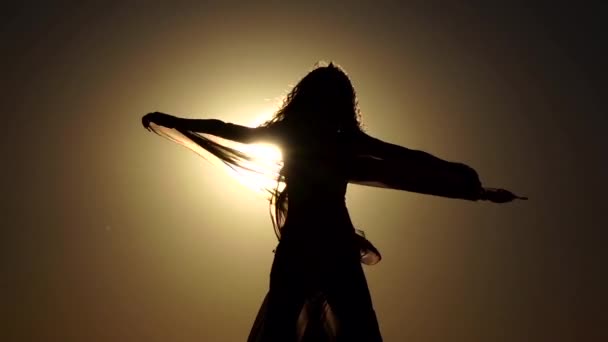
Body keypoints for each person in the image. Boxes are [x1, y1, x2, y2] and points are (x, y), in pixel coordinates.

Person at [142, 62, 526, 342]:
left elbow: (403, 157)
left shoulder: (308, 135)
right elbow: (405, 156)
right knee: (337, 324)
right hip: (323, 243)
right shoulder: (320, 136)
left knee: (302, 323)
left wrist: (458, 173)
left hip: (314, 244)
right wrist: (176, 120)